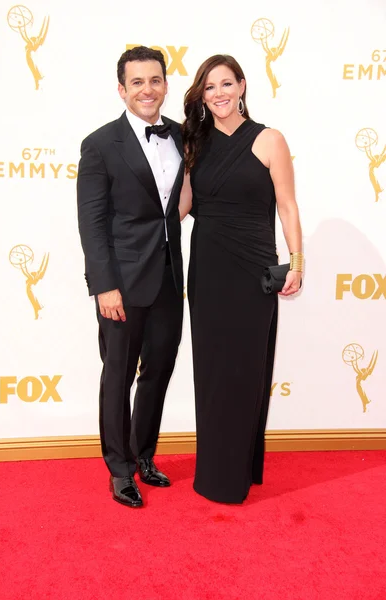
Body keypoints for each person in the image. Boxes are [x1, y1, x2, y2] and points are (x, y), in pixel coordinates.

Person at [179, 55, 303, 504]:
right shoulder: (195, 142)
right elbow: (183, 206)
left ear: (243, 85)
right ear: (202, 95)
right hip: (209, 270)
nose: (219, 94)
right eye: (209, 88)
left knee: (247, 370)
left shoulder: (270, 139)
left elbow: (287, 205)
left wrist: (298, 262)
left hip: (254, 271)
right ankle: (215, 474)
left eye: (226, 84)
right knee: (213, 372)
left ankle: (241, 467)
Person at [77, 46, 184, 508]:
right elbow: (92, 221)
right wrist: (104, 285)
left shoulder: (182, 136)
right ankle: (119, 470)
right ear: (122, 89)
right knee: (118, 376)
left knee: (158, 371)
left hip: (169, 277)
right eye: (137, 82)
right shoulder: (100, 144)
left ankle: (143, 456)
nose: (147, 89)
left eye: (155, 80)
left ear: (165, 84)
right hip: (120, 282)